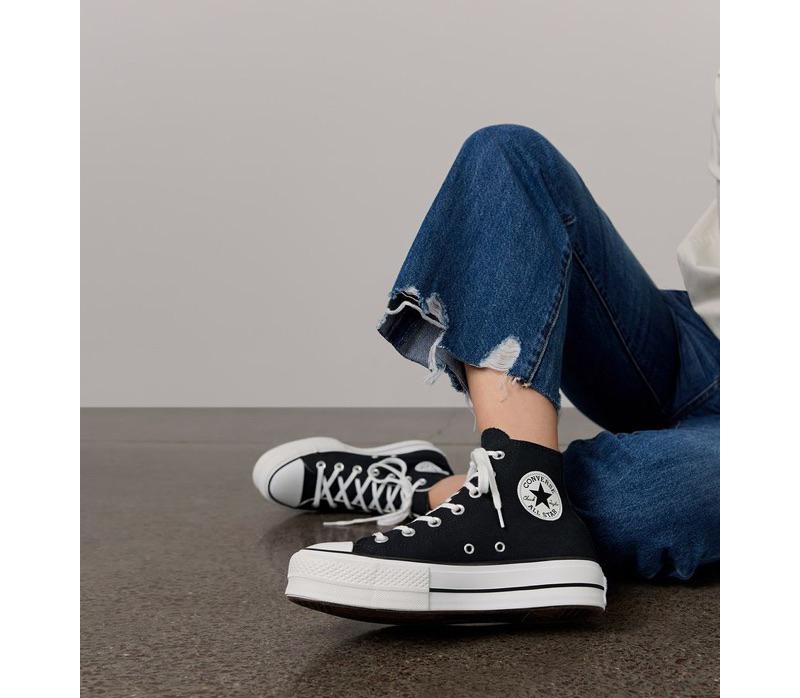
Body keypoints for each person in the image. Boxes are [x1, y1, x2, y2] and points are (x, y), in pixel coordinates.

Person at [253, 75, 720, 624]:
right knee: (508, 156)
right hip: (701, 343)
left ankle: (453, 492)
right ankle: (516, 487)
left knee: (642, 501)